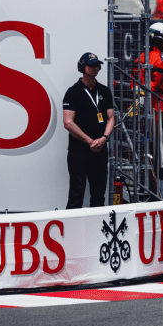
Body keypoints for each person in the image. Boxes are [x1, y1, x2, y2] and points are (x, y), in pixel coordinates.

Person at [62, 53, 116, 209]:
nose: (95, 68)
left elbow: (111, 118)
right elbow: (68, 123)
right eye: (91, 65)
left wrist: (104, 138)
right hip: (79, 150)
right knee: (76, 193)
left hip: (100, 149)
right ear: (82, 68)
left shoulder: (105, 91)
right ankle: (71, 230)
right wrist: (89, 141)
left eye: (97, 65)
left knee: (99, 194)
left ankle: (98, 230)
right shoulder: (73, 92)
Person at [133, 22, 163, 113]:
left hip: (139, 101)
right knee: (157, 126)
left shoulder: (142, 56)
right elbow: (155, 85)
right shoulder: (160, 60)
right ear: (158, 40)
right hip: (156, 102)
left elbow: (133, 79)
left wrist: (139, 95)